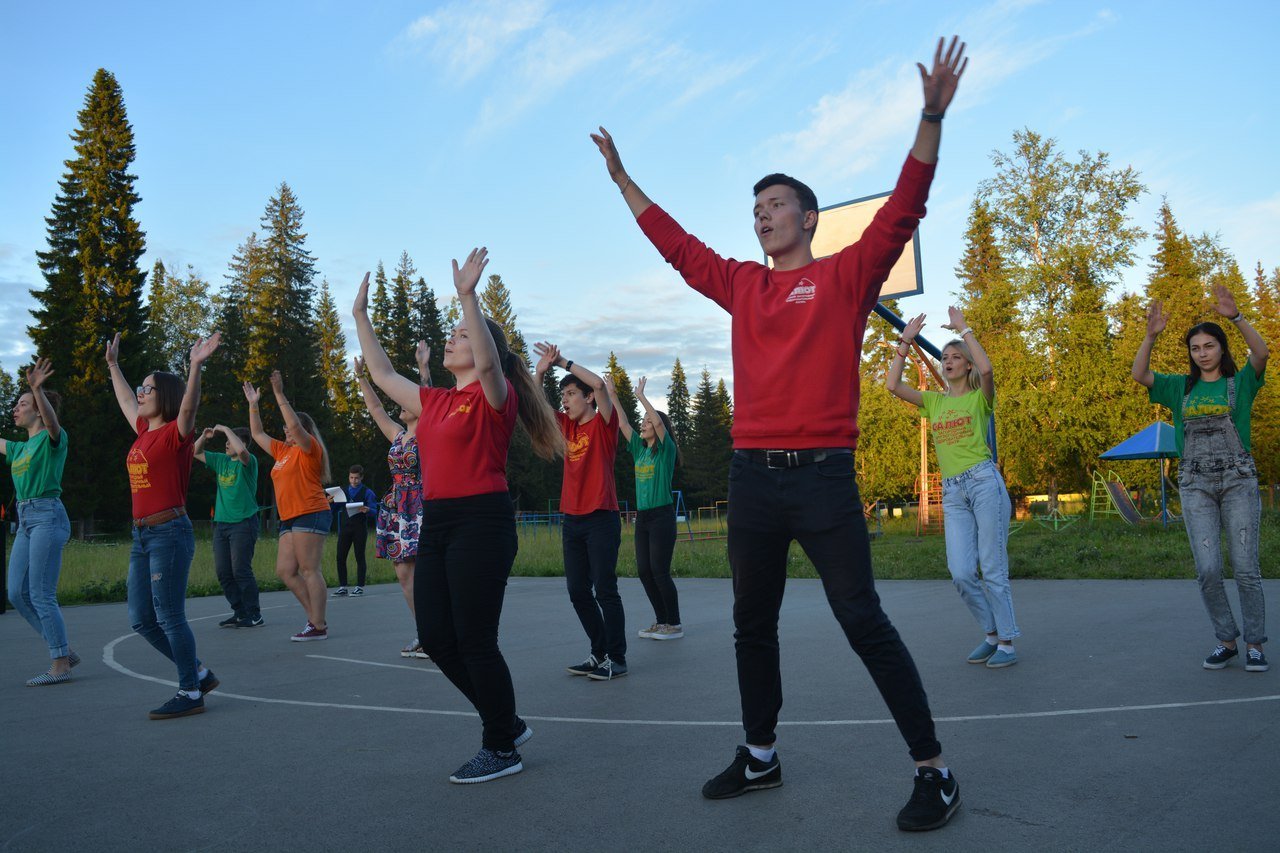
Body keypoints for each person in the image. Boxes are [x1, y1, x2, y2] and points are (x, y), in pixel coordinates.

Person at [590, 35, 967, 831]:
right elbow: (677, 248)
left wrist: (929, 116)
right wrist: (624, 179)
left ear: (807, 216)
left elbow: (907, 201)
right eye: (753, 209)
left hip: (824, 476)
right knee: (749, 623)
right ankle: (760, 755)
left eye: (773, 204)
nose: (760, 216)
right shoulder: (742, 284)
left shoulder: (846, 275)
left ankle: (933, 770)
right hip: (754, 479)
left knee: (862, 619)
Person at [354, 252, 564, 784]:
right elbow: (381, 373)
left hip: (482, 521)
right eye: (452, 333)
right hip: (439, 523)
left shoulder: (495, 397)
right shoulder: (435, 401)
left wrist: (468, 296)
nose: (451, 339)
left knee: (474, 639)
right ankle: (506, 722)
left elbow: (491, 365)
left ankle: (501, 746)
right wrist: (361, 316)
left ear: (484, 347)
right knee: (436, 636)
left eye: (461, 335)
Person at [1132, 285, 1269, 672]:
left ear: (1221, 349)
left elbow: (1261, 353)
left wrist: (1237, 317)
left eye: (1209, 345)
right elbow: (1139, 373)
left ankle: (1255, 643)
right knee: (1207, 569)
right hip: (1195, 485)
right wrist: (1150, 335)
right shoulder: (1180, 387)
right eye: (1196, 348)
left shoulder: (1240, 384)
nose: (1202, 352)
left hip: (1238, 480)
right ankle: (1226, 640)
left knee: (1245, 568)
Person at [888, 308, 1019, 667]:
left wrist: (965, 329)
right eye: (944, 357)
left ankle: (1006, 642)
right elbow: (892, 386)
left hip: (983, 483)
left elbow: (988, 369)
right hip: (954, 492)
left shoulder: (980, 399)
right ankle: (990, 633)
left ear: (967, 366)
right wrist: (904, 343)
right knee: (961, 572)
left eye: (955, 357)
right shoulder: (934, 402)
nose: (947, 361)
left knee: (991, 567)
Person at [107, 331, 222, 719]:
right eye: (141, 388)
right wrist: (113, 366)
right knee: (141, 618)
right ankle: (200, 673)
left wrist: (195, 366)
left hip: (169, 533)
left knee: (170, 616)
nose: (140, 393)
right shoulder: (142, 432)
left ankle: (190, 691)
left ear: (165, 397)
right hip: (141, 535)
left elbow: (189, 408)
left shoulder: (177, 435)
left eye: (148, 389)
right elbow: (124, 398)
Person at [534, 342, 627, 680]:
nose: (566, 400)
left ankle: (616, 659)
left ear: (587, 398)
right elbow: (535, 406)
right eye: (564, 396)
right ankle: (598, 652)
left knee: (605, 589)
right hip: (572, 519)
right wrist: (542, 373)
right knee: (577, 591)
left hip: (601, 516)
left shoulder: (604, 424)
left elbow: (600, 384)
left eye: (571, 394)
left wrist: (563, 362)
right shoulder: (566, 426)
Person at [3, 358, 79, 685]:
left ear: (38, 409)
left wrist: (36, 388)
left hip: (48, 514)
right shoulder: (19, 449)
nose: (15, 409)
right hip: (26, 519)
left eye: (22, 404)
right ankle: (61, 647)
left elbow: (52, 424)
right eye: (16, 404)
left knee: (40, 593)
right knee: (16, 593)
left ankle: (60, 663)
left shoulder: (52, 440)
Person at [245, 370, 333, 642]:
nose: (286, 430)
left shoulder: (310, 448)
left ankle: (317, 625)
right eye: (284, 429)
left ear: (303, 430)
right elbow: (257, 433)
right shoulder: (283, 451)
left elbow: (295, 427)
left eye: (290, 427)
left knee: (309, 570)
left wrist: (280, 394)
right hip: (290, 517)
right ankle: (316, 619)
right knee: (285, 571)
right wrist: (253, 405)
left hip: (311, 511)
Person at [355, 348, 430, 658]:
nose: (401, 404)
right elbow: (374, 408)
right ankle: (424, 632)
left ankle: (437, 631)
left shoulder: (427, 434)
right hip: (397, 506)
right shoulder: (398, 435)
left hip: (421, 505)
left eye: (406, 400)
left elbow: (429, 400)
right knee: (402, 573)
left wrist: (423, 368)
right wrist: (362, 378)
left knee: (425, 571)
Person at [603, 373, 682, 641]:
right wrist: (612, 394)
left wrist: (641, 396)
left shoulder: (665, 450)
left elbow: (659, 421)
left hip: (662, 516)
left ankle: (674, 623)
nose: (645, 423)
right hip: (643, 518)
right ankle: (661, 622)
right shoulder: (639, 450)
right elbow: (623, 423)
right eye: (644, 421)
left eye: (648, 421)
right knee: (644, 572)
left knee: (659, 571)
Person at [194, 425, 264, 628]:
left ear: (240, 442)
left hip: (244, 523)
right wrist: (204, 437)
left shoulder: (249, 462)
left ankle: (255, 613)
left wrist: (225, 429)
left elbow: (242, 451)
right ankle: (240, 612)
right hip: (222, 525)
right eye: (225, 441)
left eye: (229, 441)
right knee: (223, 572)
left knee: (240, 570)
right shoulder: (221, 460)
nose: (226, 444)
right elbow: (194, 452)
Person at [332, 464, 379, 597]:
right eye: (351, 477)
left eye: (357, 478)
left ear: (362, 477)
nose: (354, 481)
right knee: (340, 557)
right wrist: (329, 500)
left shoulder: (367, 492)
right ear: (349, 476)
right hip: (345, 528)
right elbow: (333, 509)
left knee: (359, 556)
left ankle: (359, 586)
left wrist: (368, 510)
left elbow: (375, 511)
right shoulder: (342, 491)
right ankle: (342, 586)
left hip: (359, 529)